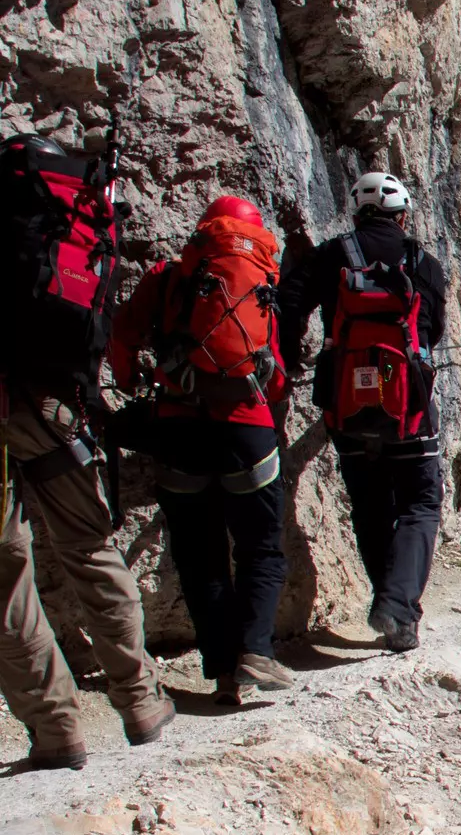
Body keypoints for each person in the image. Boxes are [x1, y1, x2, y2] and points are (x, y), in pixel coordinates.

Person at [0, 131, 174, 768]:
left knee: (6, 571)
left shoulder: (23, 219)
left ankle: (56, 730)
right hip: (62, 405)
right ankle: (141, 699)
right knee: (92, 546)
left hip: (6, 402)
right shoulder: (79, 224)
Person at [108, 195, 292, 707]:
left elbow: (120, 336)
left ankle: (223, 673)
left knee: (199, 555)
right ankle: (255, 650)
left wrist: (132, 380)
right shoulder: (263, 281)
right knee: (260, 548)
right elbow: (272, 371)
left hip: (180, 429)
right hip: (247, 431)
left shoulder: (169, 276)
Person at [277, 171, 448, 654]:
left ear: (357, 210)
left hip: (347, 407)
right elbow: (431, 331)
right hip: (409, 408)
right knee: (420, 505)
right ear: (403, 215)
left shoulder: (332, 256)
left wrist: (291, 355)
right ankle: (398, 608)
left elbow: (289, 300)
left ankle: (395, 610)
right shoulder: (423, 263)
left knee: (371, 510)